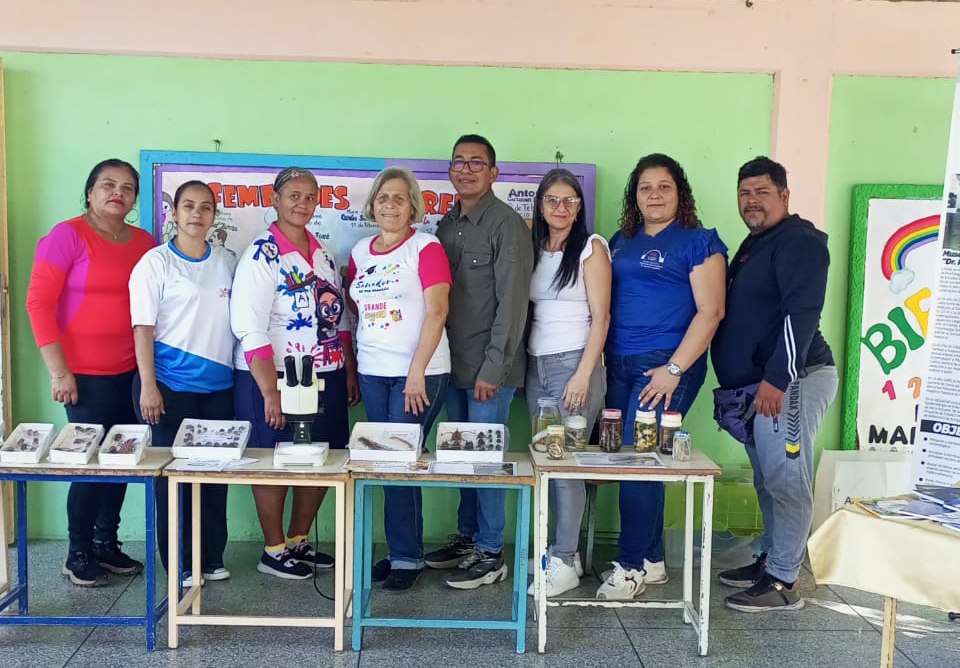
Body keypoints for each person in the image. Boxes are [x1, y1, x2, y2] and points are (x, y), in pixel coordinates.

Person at [598, 153, 727, 600]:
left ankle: (630, 566)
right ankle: (651, 560)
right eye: (645, 187)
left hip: (667, 365)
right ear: (634, 196)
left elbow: (711, 312)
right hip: (619, 364)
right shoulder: (622, 239)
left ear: (680, 192)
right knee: (632, 459)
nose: (654, 194)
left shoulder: (699, 241)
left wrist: (674, 370)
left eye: (664, 186)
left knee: (638, 460)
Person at [712, 156, 837, 612]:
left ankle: (784, 580)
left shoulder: (800, 243)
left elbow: (799, 316)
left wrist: (777, 379)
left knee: (787, 478)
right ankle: (771, 556)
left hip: (792, 382)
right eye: (745, 192)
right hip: (760, 386)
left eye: (762, 192)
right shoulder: (758, 243)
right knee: (768, 476)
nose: (752, 201)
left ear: (785, 194)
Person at [26, 158, 156, 587]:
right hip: (81, 374)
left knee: (120, 460)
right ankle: (77, 551)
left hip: (130, 372)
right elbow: (39, 303)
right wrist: (58, 372)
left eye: (126, 187)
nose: (117, 193)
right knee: (88, 464)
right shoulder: (67, 236)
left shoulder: (143, 242)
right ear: (89, 192)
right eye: (107, 185)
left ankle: (106, 544)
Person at [231, 167, 359, 579]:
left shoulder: (321, 252)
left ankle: (298, 540)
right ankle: (273, 550)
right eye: (294, 195)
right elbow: (249, 326)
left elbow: (338, 319)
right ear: (276, 200)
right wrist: (269, 392)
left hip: (326, 374)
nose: (302, 203)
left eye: (310, 196)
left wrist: (348, 371)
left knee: (324, 455)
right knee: (273, 457)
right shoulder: (263, 253)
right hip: (276, 376)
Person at [427, 134, 534, 589]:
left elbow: (512, 306)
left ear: (494, 173)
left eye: (477, 163)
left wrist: (494, 368)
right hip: (453, 365)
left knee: (485, 462)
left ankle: (492, 551)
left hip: (491, 371)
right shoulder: (448, 225)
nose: (466, 169)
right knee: (458, 458)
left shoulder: (506, 225)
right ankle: (469, 537)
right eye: (458, 161)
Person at [348, 167, 452, 592]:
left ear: (413, 206)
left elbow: (437, 311)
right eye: (382, 197)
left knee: (400, 462)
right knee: (384, 464)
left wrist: (415, 374)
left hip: (420, 375)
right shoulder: (360, 251)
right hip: (373, 372)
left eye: (399, 198)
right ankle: (400, 550)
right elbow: (356, 308)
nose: (390, 204)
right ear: (372, 205)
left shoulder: (426, 247)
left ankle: (408, 557)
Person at [129, 180, 237, 586]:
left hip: (219, 388)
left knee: (215, 475)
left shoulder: (227, 261)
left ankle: (210, 557)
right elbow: (143, 328)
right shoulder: (155, 263)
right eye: (188, 206)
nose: (197, 214)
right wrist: (148, 385)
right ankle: (179, 562)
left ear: (214, 216)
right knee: (174, 478)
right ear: (173, 213)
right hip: (170, 386)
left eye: (205, 207)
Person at [525, 168, 610, 597]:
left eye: (569, 201)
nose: (561, 208)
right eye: (552, 201)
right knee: (545, 460)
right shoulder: (535, 248)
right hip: (535, 365)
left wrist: (583, 373)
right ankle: (561, 552)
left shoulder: (592, 248)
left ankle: (563, 558)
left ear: (580, 207)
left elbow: (602, 316)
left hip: (575, 364)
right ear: (540, 205)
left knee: (566, 465)